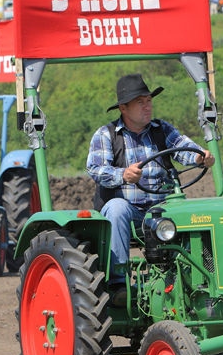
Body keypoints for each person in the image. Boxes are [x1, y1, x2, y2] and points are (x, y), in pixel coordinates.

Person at [86, 74, 215, 306]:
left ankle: (198, 278)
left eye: (149, 101)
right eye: (140, 102)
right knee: (116, 208)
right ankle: (118, 283)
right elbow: (95, 169)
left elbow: (183, 148)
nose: (147, 106)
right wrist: (122, 174)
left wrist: (199, 156)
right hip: (129, 213)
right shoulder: (106, 135)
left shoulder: (161, 130)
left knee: (195, 211)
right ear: (124, 108)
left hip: (161, 209)